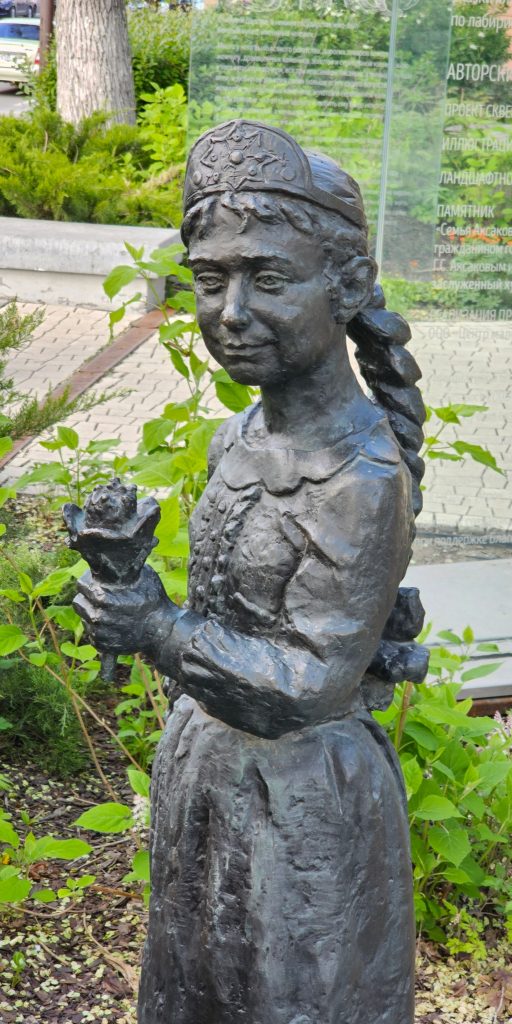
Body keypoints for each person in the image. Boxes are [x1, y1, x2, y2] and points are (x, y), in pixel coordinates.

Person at [74, 120, 428, 1024]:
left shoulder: (361, 474)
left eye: (268, 279)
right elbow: (229, 618)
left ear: (346, 287)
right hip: (213, 778)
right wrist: (129, 599)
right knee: (198, 986)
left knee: (287, 995)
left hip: (301, 804)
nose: (230, 312)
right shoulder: (237, 439)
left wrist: (158, 630)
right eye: (209, 279)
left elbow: (311, 682)